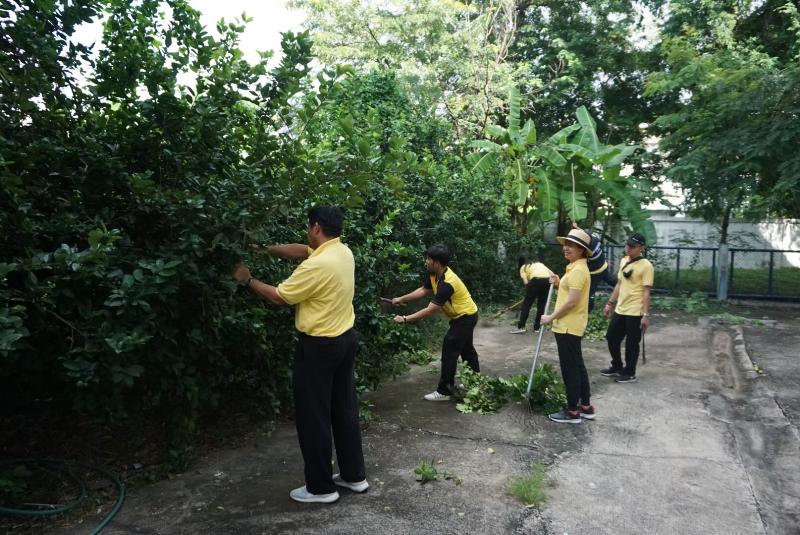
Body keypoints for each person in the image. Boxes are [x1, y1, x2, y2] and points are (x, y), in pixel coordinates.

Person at [233, 206, 367, 504]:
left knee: (314, 417)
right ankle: (353, 476)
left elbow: (280, 296)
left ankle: (321, 488)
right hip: (345, 340)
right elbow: (303, 250)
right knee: (343, 410)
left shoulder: (317, 267)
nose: (307, 232)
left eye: (308, 227)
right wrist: (266, 250)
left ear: (316, 227)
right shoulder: (342, 252)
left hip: (320, 348)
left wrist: (247, 279)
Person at [390, 244, 480, 401]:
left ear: (437, 263)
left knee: (449, 349)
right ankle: (474, 382)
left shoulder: (447, 283)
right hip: (463, 316)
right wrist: (401, 299)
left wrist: (405, 319)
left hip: (465, 317)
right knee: (466, 350)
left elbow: (429, 310)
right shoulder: (434, 275)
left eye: (429, 259)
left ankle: (444, 391)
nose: (426, 262)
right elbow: (423, 290)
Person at [540, 228, 595, 424]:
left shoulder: (579, 270)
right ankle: (586, 407)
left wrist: (550, 317)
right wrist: (558, 282)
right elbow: (570, 291)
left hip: (567, 327)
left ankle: (572, 412)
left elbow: (572, 302)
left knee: (570, 369)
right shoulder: (575, 268)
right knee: (577, 366)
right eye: (566, 244)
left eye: (571, 245)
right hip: (569, 326)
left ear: (581, 250)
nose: (566, 248)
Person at [601, 232, 654, 384]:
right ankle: (617, 366)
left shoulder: (647, 266)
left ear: (641, 248)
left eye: (632, 246)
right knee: (611, 337)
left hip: (635, 310)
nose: (628, 248)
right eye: (627, 245)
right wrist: (610, 303)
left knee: (632, 343)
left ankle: (630, 373)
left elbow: (646, 291)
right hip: (620, 308)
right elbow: (619, 284)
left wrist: (645, 314)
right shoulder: (624, 260)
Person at [572, 222, 618, 312]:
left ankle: (588, 311)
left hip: (594, 273)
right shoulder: (595, 239)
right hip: (603, 267)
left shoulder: (588, 249)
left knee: (590, 294)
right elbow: (584, 234)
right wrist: (577, 228)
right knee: (615, 283)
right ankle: (626, 293)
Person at [509, 254, 552, 334]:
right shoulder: (540, 264)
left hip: (535, 281)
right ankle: (537, 328)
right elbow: (552, 274)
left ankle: (521, 327)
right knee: (541, 305)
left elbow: (526, 282)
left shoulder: (523, 267)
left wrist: (531, 291)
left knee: (527, 305)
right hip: (547, 282)